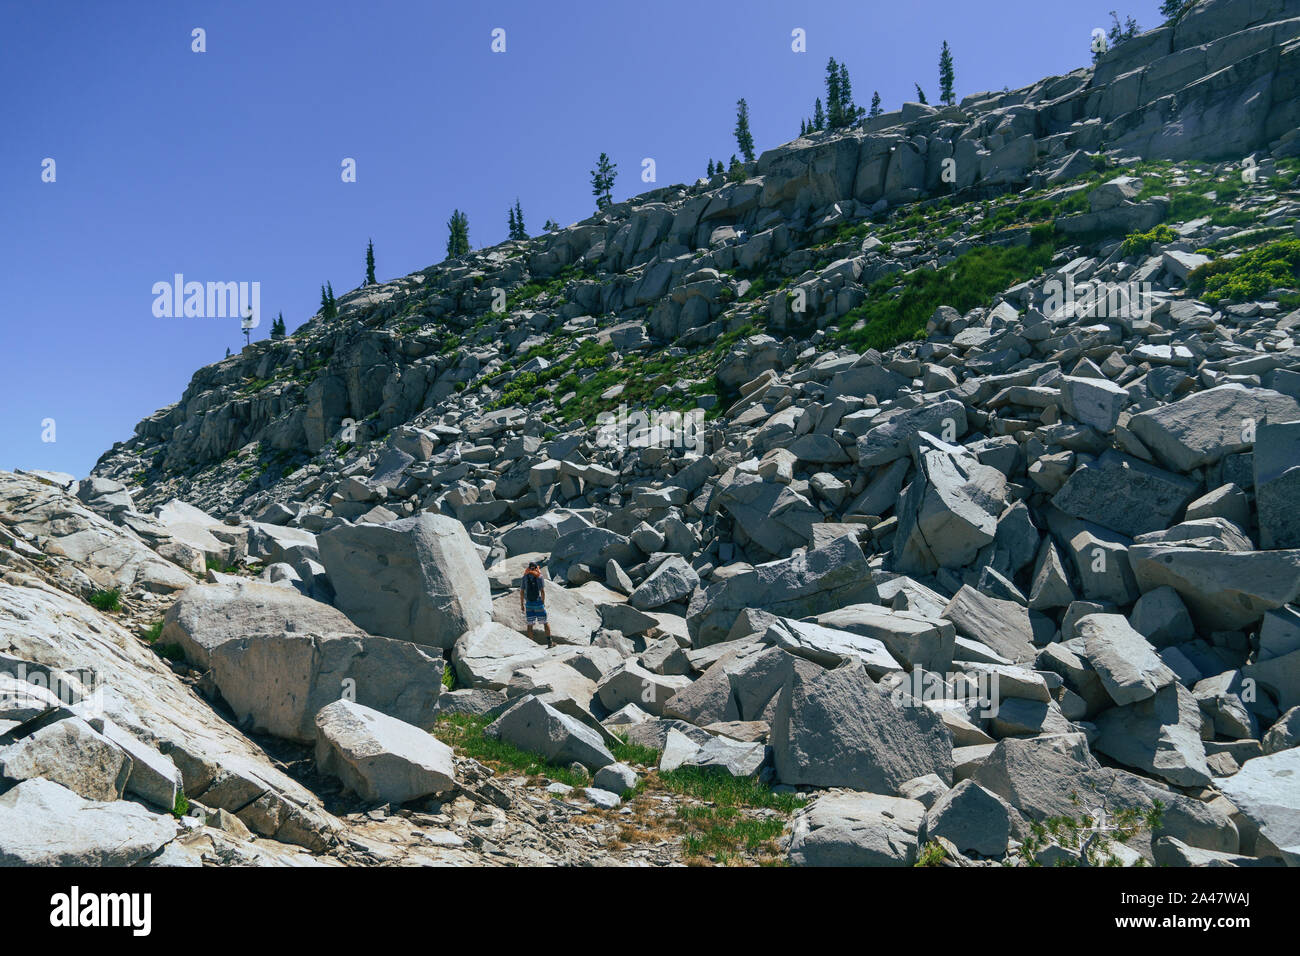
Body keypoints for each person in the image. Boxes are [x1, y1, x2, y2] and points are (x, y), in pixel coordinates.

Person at [520, 561, 552, 647]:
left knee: (530, 624)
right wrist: (543, 602)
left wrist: (522, 604)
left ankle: (531, 644)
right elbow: (542, 591)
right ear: (536, 568)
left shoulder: (525, 577)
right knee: (545, 622)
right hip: (538, 603)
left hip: (529, 603)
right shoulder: (539, 576)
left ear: (529, 568)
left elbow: (522, 591)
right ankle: (549, 643)